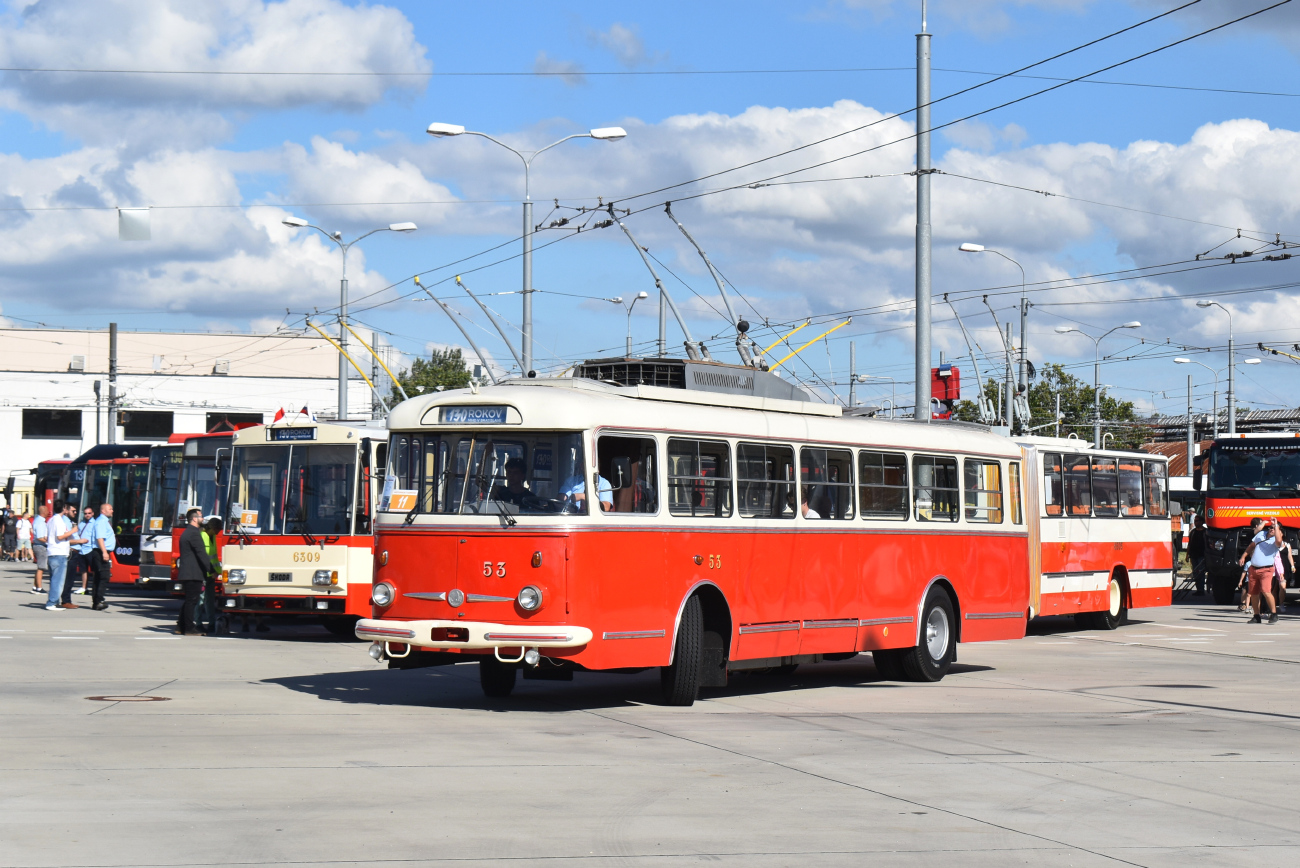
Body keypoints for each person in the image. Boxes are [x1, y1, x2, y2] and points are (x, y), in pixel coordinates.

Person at [1238, 517, 1282, 624]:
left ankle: (1274, 614)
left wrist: (1276, 526)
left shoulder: (1276, 540)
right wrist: (1244, 556)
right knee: (1253, 593)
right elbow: (1251, 545)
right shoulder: (1261, 534)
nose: (1271, 529)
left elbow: (1279, 541)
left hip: (1266, 570)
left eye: (1274, 528)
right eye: (1270, 527)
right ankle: (1256, 616)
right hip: (1253, 569)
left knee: (1266, 591)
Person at [175, 508, 212, 635]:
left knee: (189, 600)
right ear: (195, 518)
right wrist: (210, 569)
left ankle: (181, 626)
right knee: (192, 601)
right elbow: (201, 553)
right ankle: (189, 628)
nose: (203, 519)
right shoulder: (194, 533)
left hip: (188, 572)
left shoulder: (187, 532)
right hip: (193, 573)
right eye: (201, 517)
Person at [44, 500, 79, 612]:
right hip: (59, 553)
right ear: (64, 508)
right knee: (58, 580)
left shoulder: (51, 520)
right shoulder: (58, 520)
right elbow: (60, 536)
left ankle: (53, 600)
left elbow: (47, 537)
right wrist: (73, 531)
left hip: (52, 552)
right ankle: (52, 602)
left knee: (54, 579)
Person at [87, 503, 116, 611]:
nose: (112, 511)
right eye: (110, 509)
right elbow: (100, 538)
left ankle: (97, 601)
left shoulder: (103, 521)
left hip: (101, 551)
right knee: (103, 576)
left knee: (99, 577)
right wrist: (104, 552)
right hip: (100, 551)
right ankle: (99, 600)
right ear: (103, 511)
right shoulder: (101, 522)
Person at [67, 505, 95, 600]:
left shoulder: (94, 523)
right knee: (83, 570)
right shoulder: (81, 523)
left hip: (90, 549)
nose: (87, 515)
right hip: (82, 550)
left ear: (92, 514)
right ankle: (84, 587)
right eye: (85, 513)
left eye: (89, 513)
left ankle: (95, 587)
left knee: (94, 570)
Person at [200, 517, 223, 635]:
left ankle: (211, 623)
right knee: (200, 599)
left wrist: (217, 571)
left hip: (211, 574)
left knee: (209, 600)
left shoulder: (212, 536)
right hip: (203, 573)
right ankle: (198, 624)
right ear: (213, 528)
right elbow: (204, 557)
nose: (219, 532)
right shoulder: (201, 536)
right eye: (218, 530)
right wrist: (213, 570)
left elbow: (213, 556)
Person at [1187, 515, 1207, 596]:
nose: (1195, 522)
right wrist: (1187, 555)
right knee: (1195, 572)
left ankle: (1201, 590)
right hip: (1193, 555)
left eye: (1197, 521)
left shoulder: (1205, 532)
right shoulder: (1193, 532)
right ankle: (1198, 589)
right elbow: (1189, 544)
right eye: (1195, 521)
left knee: (1200, 572)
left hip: (1202, 556)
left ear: (1202, 522)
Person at [31, 504, 49, 594]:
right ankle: (39, 588)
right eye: (47, 511)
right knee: (41, 568)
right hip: (40, 546)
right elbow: (40, 537)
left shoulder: (37, 520)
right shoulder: (40, 522)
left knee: (39, 567)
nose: (48, 512)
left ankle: (35, 586)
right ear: (44, 512)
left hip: (37, 545)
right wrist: (48, 542)